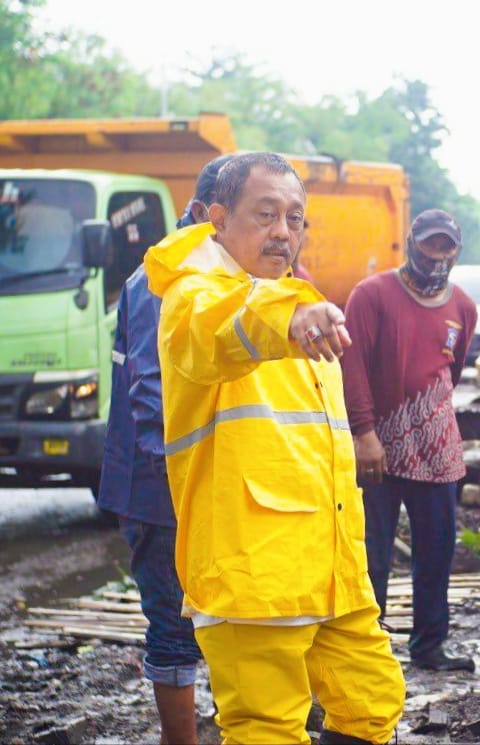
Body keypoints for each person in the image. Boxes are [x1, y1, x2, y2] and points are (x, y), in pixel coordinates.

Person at [144, 152, 404, 745]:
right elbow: (229, 324)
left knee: (371, 707)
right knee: (266, 730)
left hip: (332, 569)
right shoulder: (195, 298)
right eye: (265, 215)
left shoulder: (292, 301)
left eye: (294, 217)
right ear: (217, 220)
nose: (283, 232)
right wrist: (293, 313)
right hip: (252, 572)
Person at [96, 153, 232, 745]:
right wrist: (191, 487)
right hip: (165, 487)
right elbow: (154, 396)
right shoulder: (166, 278)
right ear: (206, 213)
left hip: (197, 480)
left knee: (218, 618)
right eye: (256, 215)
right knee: (175, 625)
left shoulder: (215, 272)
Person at [341, 208, 477, 673]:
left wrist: (430, 421)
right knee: (372, 555)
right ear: (412, 242)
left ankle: (429, 646)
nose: (437, 255)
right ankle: (369, 653)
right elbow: (351, 366)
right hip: (379, 444)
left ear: (457, 251)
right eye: (430, 245)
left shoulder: (463, 305)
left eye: (447, 247)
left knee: (437, 549)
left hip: (439, 447)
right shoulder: (372, 295)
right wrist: (364, 433)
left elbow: (452, 371)